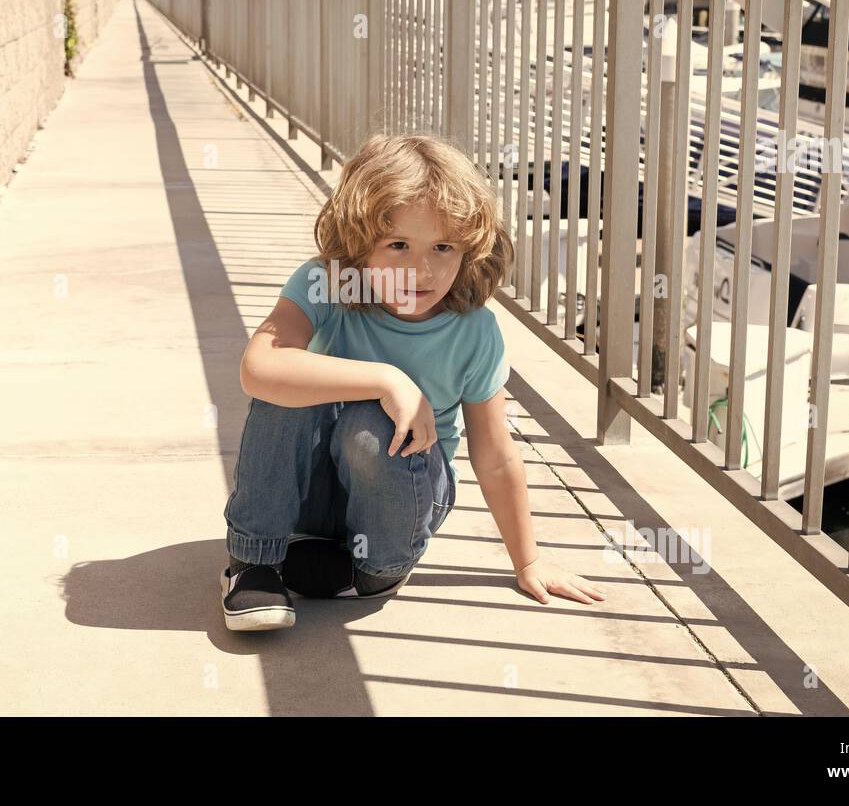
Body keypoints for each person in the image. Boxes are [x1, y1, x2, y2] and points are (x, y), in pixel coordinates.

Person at [221, 132, 608, 631]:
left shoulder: (473, 330)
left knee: (369, 425)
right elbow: (259, 368)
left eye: (442, 247)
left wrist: (528, 562)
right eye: (398, 244)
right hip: (312, 500)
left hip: (395, 510)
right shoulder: (326, 285)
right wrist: (388, 378)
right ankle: (255, 564)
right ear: (357, 246)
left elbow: (495, 454)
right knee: (287, 383)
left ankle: (369, 570)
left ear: (467, 251)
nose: (419, 269)